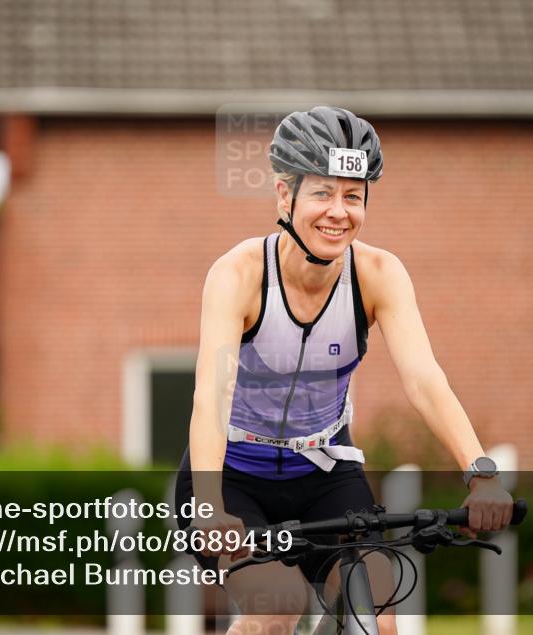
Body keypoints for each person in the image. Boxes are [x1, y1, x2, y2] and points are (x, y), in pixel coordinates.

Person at [175, 106, 513, 635]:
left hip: (326, 474)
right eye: (322, 193)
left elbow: (425, 380)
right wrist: (212, 507)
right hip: (234, 477)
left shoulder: (379, 275)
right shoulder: (238, 274)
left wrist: (481, 474)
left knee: (375, 609)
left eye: (353, 196)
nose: (339, 212)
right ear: (285, 197)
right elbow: (211, 397)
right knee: (276, 606)